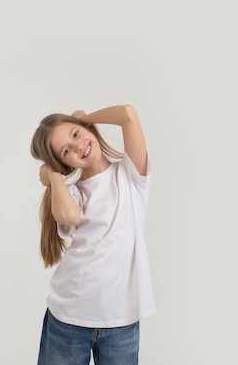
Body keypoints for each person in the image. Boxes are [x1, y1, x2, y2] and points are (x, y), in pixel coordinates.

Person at [30, 105, 156, 365]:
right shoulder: (72, 193)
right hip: (68, 318)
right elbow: (70, 217)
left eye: (75, 135)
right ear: (64, 164)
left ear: (87, 129)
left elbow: (128, 114)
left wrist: (85, 119)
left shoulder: (131, 176)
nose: (78, 147)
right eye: (66, 151)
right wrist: (54, 175)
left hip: (120, 322)